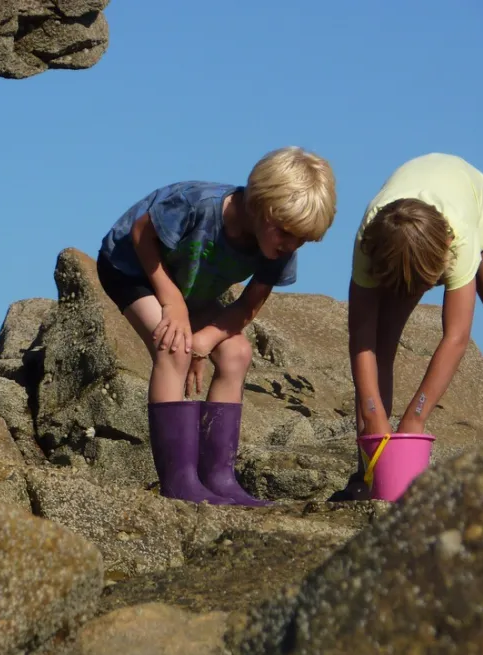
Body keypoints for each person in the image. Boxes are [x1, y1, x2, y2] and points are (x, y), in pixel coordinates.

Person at [96, 147, 337, 507]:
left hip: (192, 286)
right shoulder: (197, 204)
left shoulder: (280, 247)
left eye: (302, 240)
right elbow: (142, 232)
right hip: (134, 270)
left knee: (237, 352)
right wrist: (171, 302)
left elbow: (248, 306)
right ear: (262, 207)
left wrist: (205, 340)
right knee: (174, 347)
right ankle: (178, 480)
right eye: (287, 234)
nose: (292, 246)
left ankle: (218, 477)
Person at [342, 152, 483, 498]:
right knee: (381, 340)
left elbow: (456, 337)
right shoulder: (369, 241)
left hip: (476, 213)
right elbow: (361, 336)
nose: (422, 294)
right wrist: (373, 415)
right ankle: (370, 472)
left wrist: (415, 418)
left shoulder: (459, 239)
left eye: (427, 284)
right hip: (403, 237)